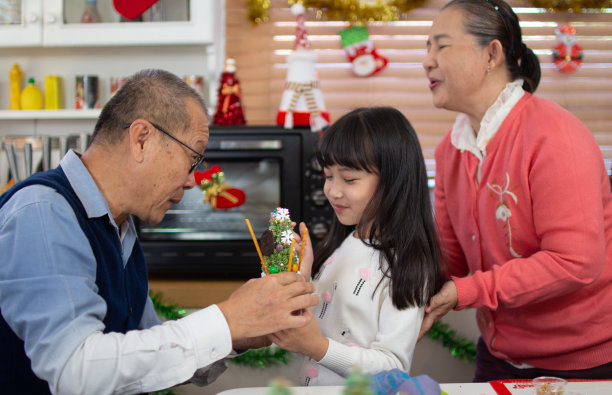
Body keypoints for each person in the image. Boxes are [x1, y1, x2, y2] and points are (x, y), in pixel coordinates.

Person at [0, 69, 318, 394]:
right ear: (141, 139)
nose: (194, 180)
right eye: (192, 159)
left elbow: (144, 351)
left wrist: (237, 334)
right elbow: (75, 370)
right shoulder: (43, 212)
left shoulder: (118, 226)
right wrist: (226, 319)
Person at [420, 0, 612, 381]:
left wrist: (466, 291)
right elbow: (450, 261)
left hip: (585, 363)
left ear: (491, 53)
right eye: (426, 47)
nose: (427, 61)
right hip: (498, 355)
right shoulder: (450, 150)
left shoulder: (554, 136)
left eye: (441, 46)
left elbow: (575, 263)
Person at [269, 107, 445, 386]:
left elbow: (393, 366)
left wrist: (318, 347)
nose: (333, 191)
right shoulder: (343, 242)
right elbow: (320, 321)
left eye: (349, 179)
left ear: (393, 181)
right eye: (328, 176)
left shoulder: (406, 263)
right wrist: (298, 277)